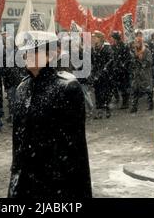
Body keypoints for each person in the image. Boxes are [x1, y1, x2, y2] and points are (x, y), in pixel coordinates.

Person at [8, 31, 92, 198]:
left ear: (51, 55)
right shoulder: (22, 88)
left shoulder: (67, 88)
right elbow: (18, 139)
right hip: (24, 178)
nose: (27, 55)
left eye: (33, 51)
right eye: (26, 51)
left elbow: (74, 147)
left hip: (55, 181)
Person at [90, 31, 113, 119]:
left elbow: (110, 60)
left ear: (100, 38)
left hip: (105, 75)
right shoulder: (94, 49)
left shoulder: (107, 48)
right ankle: (99, 110)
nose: (93, 39)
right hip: (96, 74)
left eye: (95, 37)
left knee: (106, 92)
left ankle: (107, 109)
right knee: (97, 92)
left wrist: (105, 68)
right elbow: (92, 60)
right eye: (93, 37)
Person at [129, 30, 153, 113]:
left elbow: (149, 61)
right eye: (136, 42)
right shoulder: (134, 52)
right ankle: (134, 107)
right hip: (137, 74)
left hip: (145, 73)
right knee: (135, 90)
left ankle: (151, 104)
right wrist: (134, 60)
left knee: (148, 90)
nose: (137, 44)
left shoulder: (146, 51)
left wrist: (142, 64)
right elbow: (131, 62)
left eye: (138, 42)